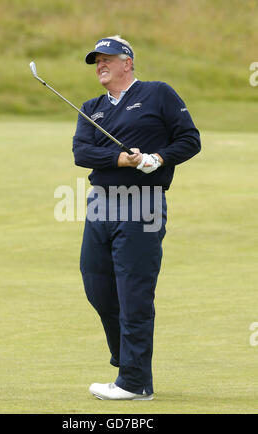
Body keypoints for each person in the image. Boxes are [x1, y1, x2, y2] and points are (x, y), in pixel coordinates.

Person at [72, 35, 201, 400]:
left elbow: (190, 139)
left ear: (127, 62)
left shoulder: (159, 94)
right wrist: (121, 160)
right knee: (97, 287)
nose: (101, 64)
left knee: (134, 293)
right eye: (96, 60)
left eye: (108, 58)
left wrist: (157, 159)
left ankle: (134, 381)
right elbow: (82, 152)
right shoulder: (91, 107)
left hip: (142, 204)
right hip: (100, 205)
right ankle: (127, 358)